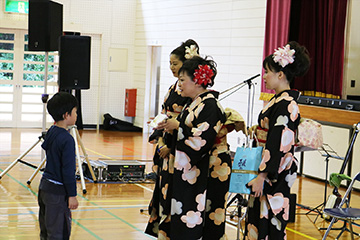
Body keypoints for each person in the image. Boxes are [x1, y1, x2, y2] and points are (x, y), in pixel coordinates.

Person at [153, 56, 231, 239]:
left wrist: (178, 127)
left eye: (182, 80)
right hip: (194, 167)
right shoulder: (193, 103)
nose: (179, 84)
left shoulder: (210, 105)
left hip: (210, 169)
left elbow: (200, 141)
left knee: (208, 217)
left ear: (197, 81)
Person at [245, 41, 311, 239]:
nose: (264, 76)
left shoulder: (286, 104)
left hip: (275, 171)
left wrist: (262, 176)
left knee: (268, 220)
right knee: (257, 219)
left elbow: (278, 143)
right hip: (265, 164)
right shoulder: (277, 100)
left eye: (267, 72)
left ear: (280, 74)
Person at [145, 39, 200, 236]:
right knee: (163, 191)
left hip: (179, 149)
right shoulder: (172, 88)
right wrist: (160, 140)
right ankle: (162, 230)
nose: (171, 67)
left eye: (175, 64)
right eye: (169, 63)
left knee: (176, 195)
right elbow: (164, 113)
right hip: (165, 145)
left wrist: (170, 145)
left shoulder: (191, 93)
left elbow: (186, 123)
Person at [38, 92, 79, 240]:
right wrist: (72, 195)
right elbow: (68, 171)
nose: (76, 115)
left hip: (44, 189)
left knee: (46, 231)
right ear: (66, 115)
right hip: (57, 193)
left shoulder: (52, 131)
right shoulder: (67, 139)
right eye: (75, 112)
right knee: (58, 234)